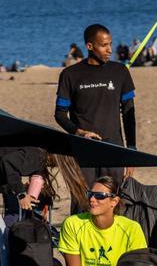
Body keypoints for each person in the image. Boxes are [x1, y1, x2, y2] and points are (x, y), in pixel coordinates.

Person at [30, 177, 147, 266]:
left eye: (99, 196)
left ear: (114, 202)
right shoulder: (73, 223)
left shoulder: (131, 228)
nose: (92, 199)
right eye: (90, 194)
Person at [55, 23, 137, 185]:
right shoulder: (70, 74)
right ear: (89, 46)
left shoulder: (120, 71)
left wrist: (132, 150)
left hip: (113, 148)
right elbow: (60, 114)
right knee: (83, 203)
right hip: (83, 150)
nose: (110, 50)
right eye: (104, 45)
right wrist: (78, 132)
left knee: (112, 201)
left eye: (110, 44)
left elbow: (129, 113)